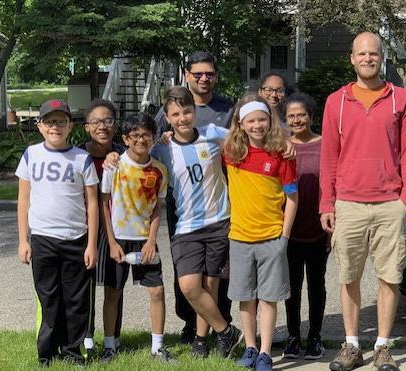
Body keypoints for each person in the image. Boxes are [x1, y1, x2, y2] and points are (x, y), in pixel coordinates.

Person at [320, 32, 406, 371]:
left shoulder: (401, 99)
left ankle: (382, 348)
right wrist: (326, 204)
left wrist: (404, 198)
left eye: (373, 53)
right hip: (348, 203)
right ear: (352, 58)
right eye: (361, 54)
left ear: (381, 57)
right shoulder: (337, 101)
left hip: (389, 203)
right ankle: (351, 346)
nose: (367, 58)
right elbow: (328, 156)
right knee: (349, 276)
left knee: (389, 277)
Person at [151, 86, 243, 358]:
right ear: (167, 117)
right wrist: (111, 157)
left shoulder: (212, 134)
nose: (182, 118)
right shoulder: (162, 149)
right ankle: (227, 331)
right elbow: (135, 157)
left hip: (219, 222)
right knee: (190, 286)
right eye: (175, 114)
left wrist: (284, 142)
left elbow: (246, 139)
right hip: (186, 227)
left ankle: (201, 341)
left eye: (187, 111)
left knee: (210, 286)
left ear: (195, 112)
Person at [16, 99, 99, 367]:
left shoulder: (81, 158)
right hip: (42, 239)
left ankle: (75, 352)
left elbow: (93, 203)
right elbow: (23, 201)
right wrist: (23, 240)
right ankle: (47, 352)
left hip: (76, 239)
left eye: (61, 121)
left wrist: (92, 245)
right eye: (49, 122)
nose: (55, 127)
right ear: (40, 126)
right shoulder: (31, 155)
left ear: (70, 126)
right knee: (48, 298)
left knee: (76, 300)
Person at [224, 93, 298, 371]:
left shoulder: (282, 153)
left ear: (270, 120)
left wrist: (284, 237)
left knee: (268, 297)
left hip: (272, 237)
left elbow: (292, 198)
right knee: (245, 297)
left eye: (262, 119)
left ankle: (266, 352)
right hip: (240, 237)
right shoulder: (230, 152)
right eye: (251, 120)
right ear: (241, 124)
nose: (257, 125)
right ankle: (250, 347)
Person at [100, 113, 174, 363]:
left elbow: (157, 208)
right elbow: (104, 203)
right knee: (113, 293)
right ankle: (110, 346)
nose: (141, 140)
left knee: (157, 291)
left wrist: (152, 240)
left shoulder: (160, 170)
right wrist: (110, 242)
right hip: (118, 238)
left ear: (153, 139)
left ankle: (158, 347)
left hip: (145, 240)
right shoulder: (114, 166)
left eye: (146, 135)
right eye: (135, 135)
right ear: (126, 139)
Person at [281, 92, 329, 360]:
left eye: (301, 114)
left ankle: (315, 337)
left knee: (316, 285)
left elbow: (334, 185)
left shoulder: (327, 144)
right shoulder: (280, 146)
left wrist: (333, 229)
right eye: (291, 116)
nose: (297, 120)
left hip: (320, 228)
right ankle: (292, 337)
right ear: (285, 119)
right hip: (289, 230)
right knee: (291, 286)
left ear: (311, 116)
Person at [80, 99, 126, 354]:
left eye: (108, 121)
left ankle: (113, 336)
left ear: (115, 125)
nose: (102, 126)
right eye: (96, 122)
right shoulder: (76, 154)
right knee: (84, 285)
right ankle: (86, 335)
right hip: (83, 229)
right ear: (87, 127)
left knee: (114, 284)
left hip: (114, 229)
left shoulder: (123, 153)